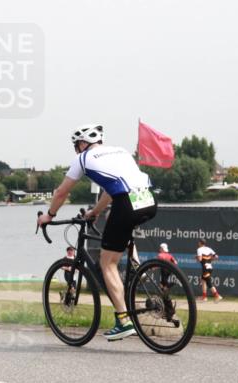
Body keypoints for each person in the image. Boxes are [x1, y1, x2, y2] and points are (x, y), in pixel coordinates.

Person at [37, 123, 157, 341]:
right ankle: (136, 262)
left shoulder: (82, 159)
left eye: (76, 146)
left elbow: (62, 192)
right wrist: (95, 212)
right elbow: (112, 192)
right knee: (116, 221)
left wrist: (49, 215)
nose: (76, 150)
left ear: (83, 143)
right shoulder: (121, 151)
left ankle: (123, 320)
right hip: (148, 200)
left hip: (126, 203)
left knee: (107, 263)